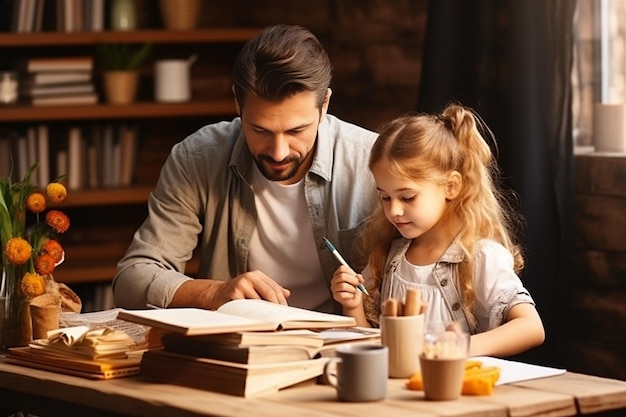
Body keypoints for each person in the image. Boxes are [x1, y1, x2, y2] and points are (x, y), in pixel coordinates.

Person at [112, 24, 379, 314]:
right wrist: (215, 292)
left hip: (339, 352)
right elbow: (132, 279)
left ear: (324, 104)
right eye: (260, 130)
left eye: (296, 131)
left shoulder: (372, 162)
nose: (279, 152)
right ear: (237, 102)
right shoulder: (197, 158)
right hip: (236, 350)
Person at [330, 103, 545, 357]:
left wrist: (459, 347)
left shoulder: (479, 257)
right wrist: (353, 306)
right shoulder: (390, 256)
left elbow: (531, 328)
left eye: (407, 197)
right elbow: (372, 346)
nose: (394, 210)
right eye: (385, 197)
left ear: (451, 187)